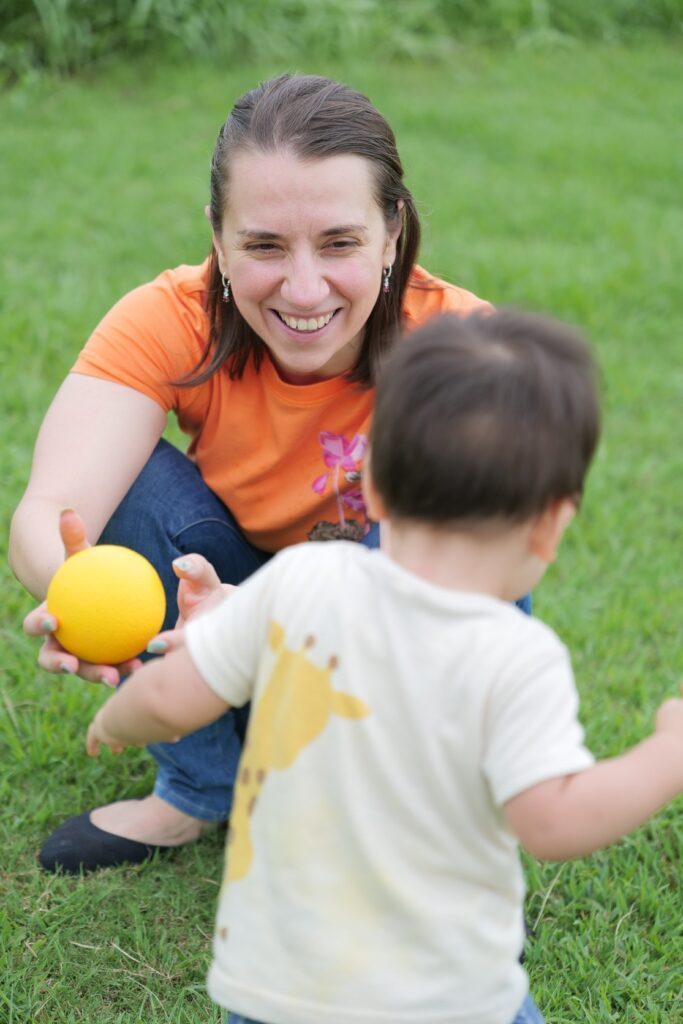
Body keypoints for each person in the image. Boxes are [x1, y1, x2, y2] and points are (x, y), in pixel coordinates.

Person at [85, 308, 683, 1024]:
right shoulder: (517, 657)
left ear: (369, 488)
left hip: (273, 986)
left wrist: (117, 717)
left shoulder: (300, 582)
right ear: (553, 522)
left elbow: (171, 698)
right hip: (444, 999)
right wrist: (669, 751)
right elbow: (554, 823)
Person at [9, 72, 520, 874]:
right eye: (264, 246)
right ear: (218, 238)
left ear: (391, 233)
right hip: (223, 605)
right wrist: (73, 588)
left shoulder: (461, 349)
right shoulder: (169, 317)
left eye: (339, 243)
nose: (304, 289)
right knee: (129, 487)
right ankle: (199, 786)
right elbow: (51, 511)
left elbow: (460, 580)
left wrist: (257, 620)